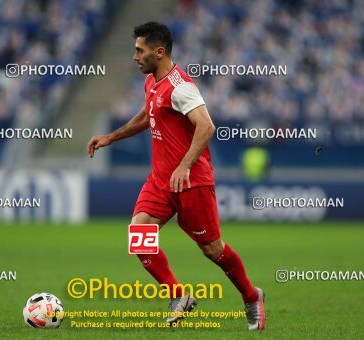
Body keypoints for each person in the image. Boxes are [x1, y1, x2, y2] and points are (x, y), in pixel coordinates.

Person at [87, 22, 265, 331]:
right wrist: (111, 137)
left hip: (191, 181)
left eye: (139, 51)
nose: (134, 57)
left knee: (212, 250)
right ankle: (178, 295)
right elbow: (147, 115)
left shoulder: (181, 87)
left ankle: (251, 296)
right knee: (139, 235)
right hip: (160, 180)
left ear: (159, 52)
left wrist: (184, 165)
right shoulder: (152, 83)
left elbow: (206, 126)